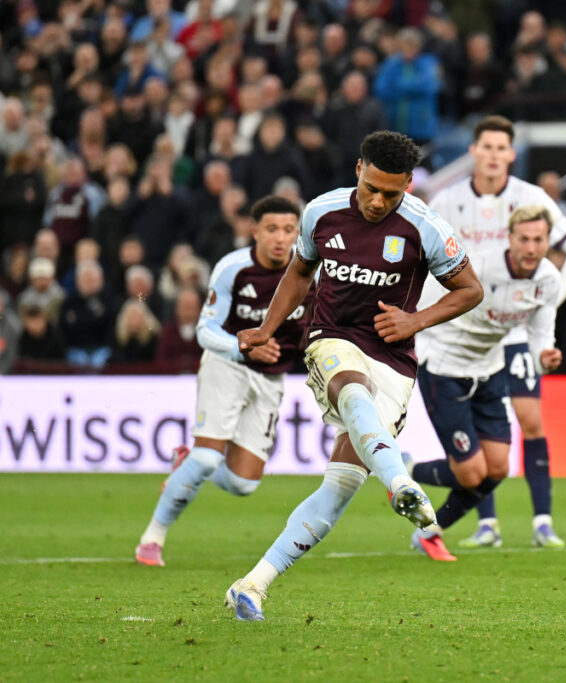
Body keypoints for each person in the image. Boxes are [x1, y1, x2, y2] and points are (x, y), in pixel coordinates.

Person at [225, 131, 483, 621]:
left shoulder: (425, 227)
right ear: (358, 169)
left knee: (338, 488)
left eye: (392, 192)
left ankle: (252, 585)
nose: (378, 201)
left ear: (408, 183)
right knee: (349, 388)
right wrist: (266, 328)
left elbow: (470, 290)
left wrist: (415, 320)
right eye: (372, 188)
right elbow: (300, 273)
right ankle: (402, 483)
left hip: (394, 362)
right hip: (331, 338)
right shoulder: (320, 212)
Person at [424, 115, 566, 549]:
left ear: (512, 155)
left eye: (503, 148)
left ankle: (541, 521)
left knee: (530, 419)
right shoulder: (445, 200)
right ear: (474, 152)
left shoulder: (530, 198)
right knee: (480, 451)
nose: (495, 156)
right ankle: (487, 524)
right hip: (466, 326)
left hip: (515, 325)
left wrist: (544, 302)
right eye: (488, 147)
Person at [134, 196, 311, 566]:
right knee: (206, 456)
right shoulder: (233, 268)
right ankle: (152, 539)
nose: (280, 238)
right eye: (271, 229)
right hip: (226, 365)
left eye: (288, 230)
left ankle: (185, 465)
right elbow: (205, 329)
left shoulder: (310, 271)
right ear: (254, 231)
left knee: (245, 484)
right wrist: (242, 349)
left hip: (271, 378)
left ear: (298, 232)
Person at [406, 206, 563, 561]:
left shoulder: (549, 279)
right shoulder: (477, 266)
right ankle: (403, 472)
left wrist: (545, 355)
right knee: (472, 472)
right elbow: (424, 299)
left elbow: (540, 331)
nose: (531, 247)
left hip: (491, 368)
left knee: (497, 468)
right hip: (445, 367)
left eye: (539, 240)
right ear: (509, 239)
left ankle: (430, 532)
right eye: (523, 239)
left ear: (547, 242)